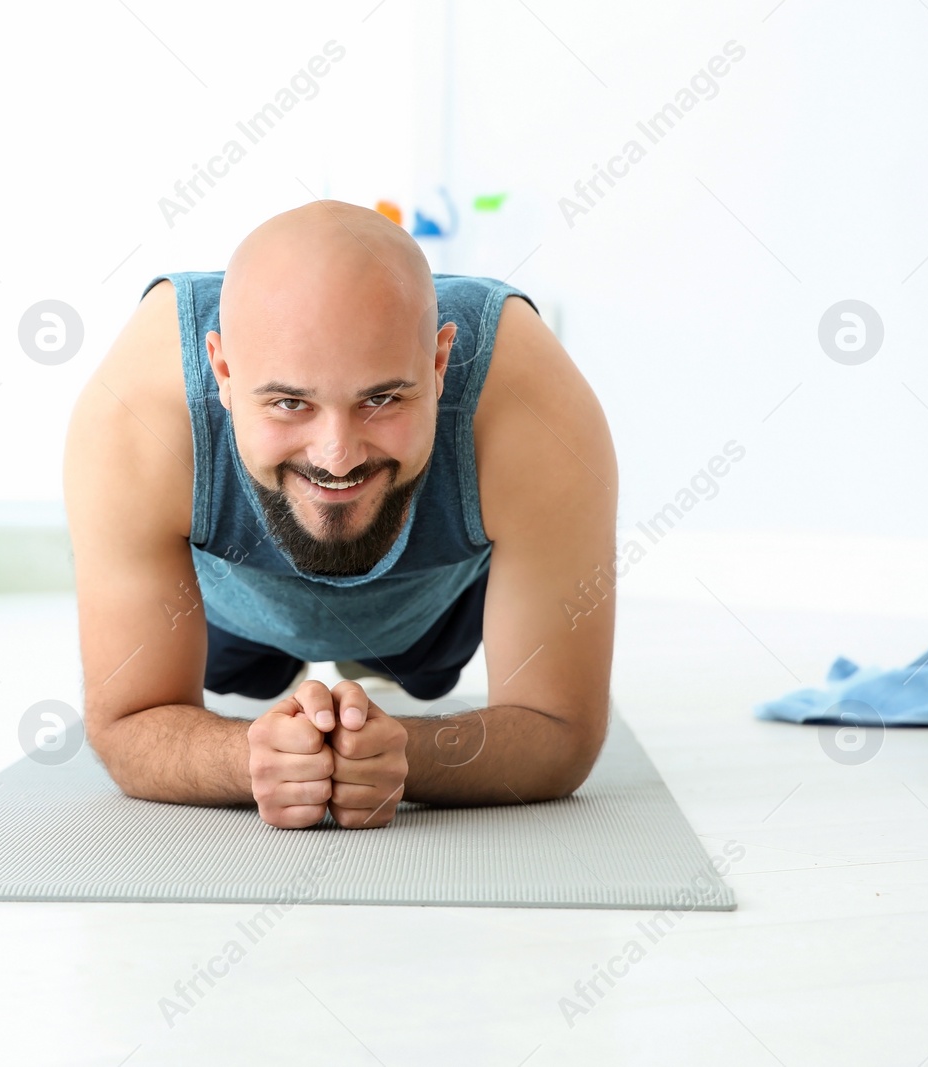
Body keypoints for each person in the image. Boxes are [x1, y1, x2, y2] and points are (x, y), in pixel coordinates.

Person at [63, 199, 617, 829]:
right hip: (234, 610)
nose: (337, 456)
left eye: (380, 399)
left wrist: (399, 754)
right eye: (290, 402)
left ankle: (374, 656)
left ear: (439, 366)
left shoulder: (532, 403)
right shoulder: (133, 411)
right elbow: (129, 722)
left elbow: (561, 732)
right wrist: (254, 757)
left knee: (410, 666)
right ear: (220, 371)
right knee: (241, 672)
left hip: (426, 620)